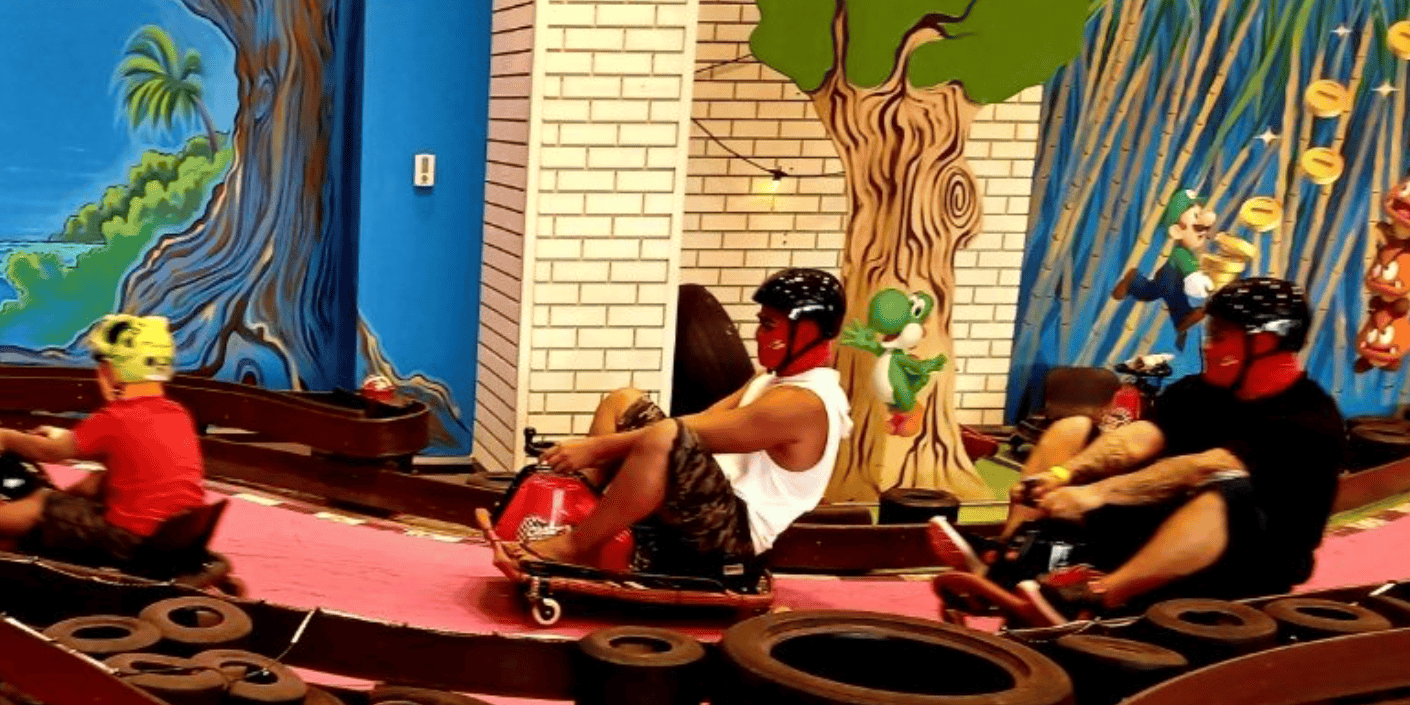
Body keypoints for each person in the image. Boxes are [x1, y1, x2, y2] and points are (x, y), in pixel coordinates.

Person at [935, 276, 1344, 623]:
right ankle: (1005, 558)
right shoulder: (1198, 391)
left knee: (1228, 489)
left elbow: (1201, 468)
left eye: (1218, 335)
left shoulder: (1308, 419)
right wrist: (1063, 477)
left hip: (1249, 563)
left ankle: (1100, 595)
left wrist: (1093, 494)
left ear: (1265, 343)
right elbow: (1139, 438)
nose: (1207, 345)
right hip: (1165, 530)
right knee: (1071, 429)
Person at [510, 267, 854, 585]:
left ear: (805, 332)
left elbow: (693, 434)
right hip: (711, 499)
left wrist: (594, 449)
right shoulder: (772, 379)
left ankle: (577, 545)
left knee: (666, 437)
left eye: (768, 325)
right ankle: (586, 512)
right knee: (623, 402)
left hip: (734, 533)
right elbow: (707, 417)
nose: (757, 334)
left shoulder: (803, 404)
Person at [0, 313, 206, 567]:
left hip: (132, 540)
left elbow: (52, 452)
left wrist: (4, 437)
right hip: (177, 530)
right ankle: (50, 516)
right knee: (95, 483)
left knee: (43, 501)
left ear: (113, 369)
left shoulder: (117, 416)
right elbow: (127, 449)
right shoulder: (176, 412)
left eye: (103, 366)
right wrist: (65, 457)